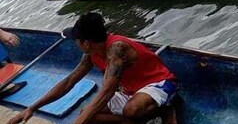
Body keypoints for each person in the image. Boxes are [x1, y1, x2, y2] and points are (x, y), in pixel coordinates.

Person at [8, 12, 177, 124]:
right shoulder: (91, 53)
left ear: (86, 43)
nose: (75, 43)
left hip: (160, 84)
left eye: (76, 40)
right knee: (89, 114)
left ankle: (166, 110)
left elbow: (107, 92)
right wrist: (32, 108)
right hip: (131, 91)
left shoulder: (116, 49)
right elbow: (69, 81)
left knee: (131, 110)